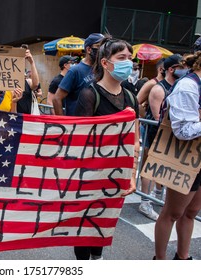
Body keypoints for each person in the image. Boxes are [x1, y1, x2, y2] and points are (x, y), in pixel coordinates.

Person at [73, 37, 139, 260]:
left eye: (130, 58)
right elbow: (80, 140)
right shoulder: (89, 95)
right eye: (121, 58)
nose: (127, 63)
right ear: (105, 63)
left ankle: (98, 261)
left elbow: (135, 140)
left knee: (104, 222)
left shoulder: (131, 97)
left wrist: (132, 175)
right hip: (89, 176)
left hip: (114, 177)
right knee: (83, 228)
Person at [154, 52, 201, 260]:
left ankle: (183, 257)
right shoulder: (188, 86)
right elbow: (182, 130)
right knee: (172, 213)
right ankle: (160, 261)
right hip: (184, 156)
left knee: (191, 212)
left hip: (198, 157)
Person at [139, 54, 183, 220]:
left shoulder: (177, 87)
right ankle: (145, 201)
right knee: (150, 168)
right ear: (171, 69)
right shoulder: (158, 88)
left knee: (163, 167)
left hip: (170, 135)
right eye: (181, 67)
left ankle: (157, 194)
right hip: (155, 133)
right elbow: (158, 118)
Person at [53, 33, 105, 116]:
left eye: (105, 47)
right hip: (78, 125)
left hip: (97, 124)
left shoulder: (103, 68)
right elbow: (56, 98)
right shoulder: (75, 71)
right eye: (99, 47)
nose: (103, 51)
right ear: (89, 49)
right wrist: (63, 124)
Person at [16, 47, 41, 114]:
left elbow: (36, 84)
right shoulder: (8, 82)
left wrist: (32, 62)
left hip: (26, 118)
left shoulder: (28, 82)